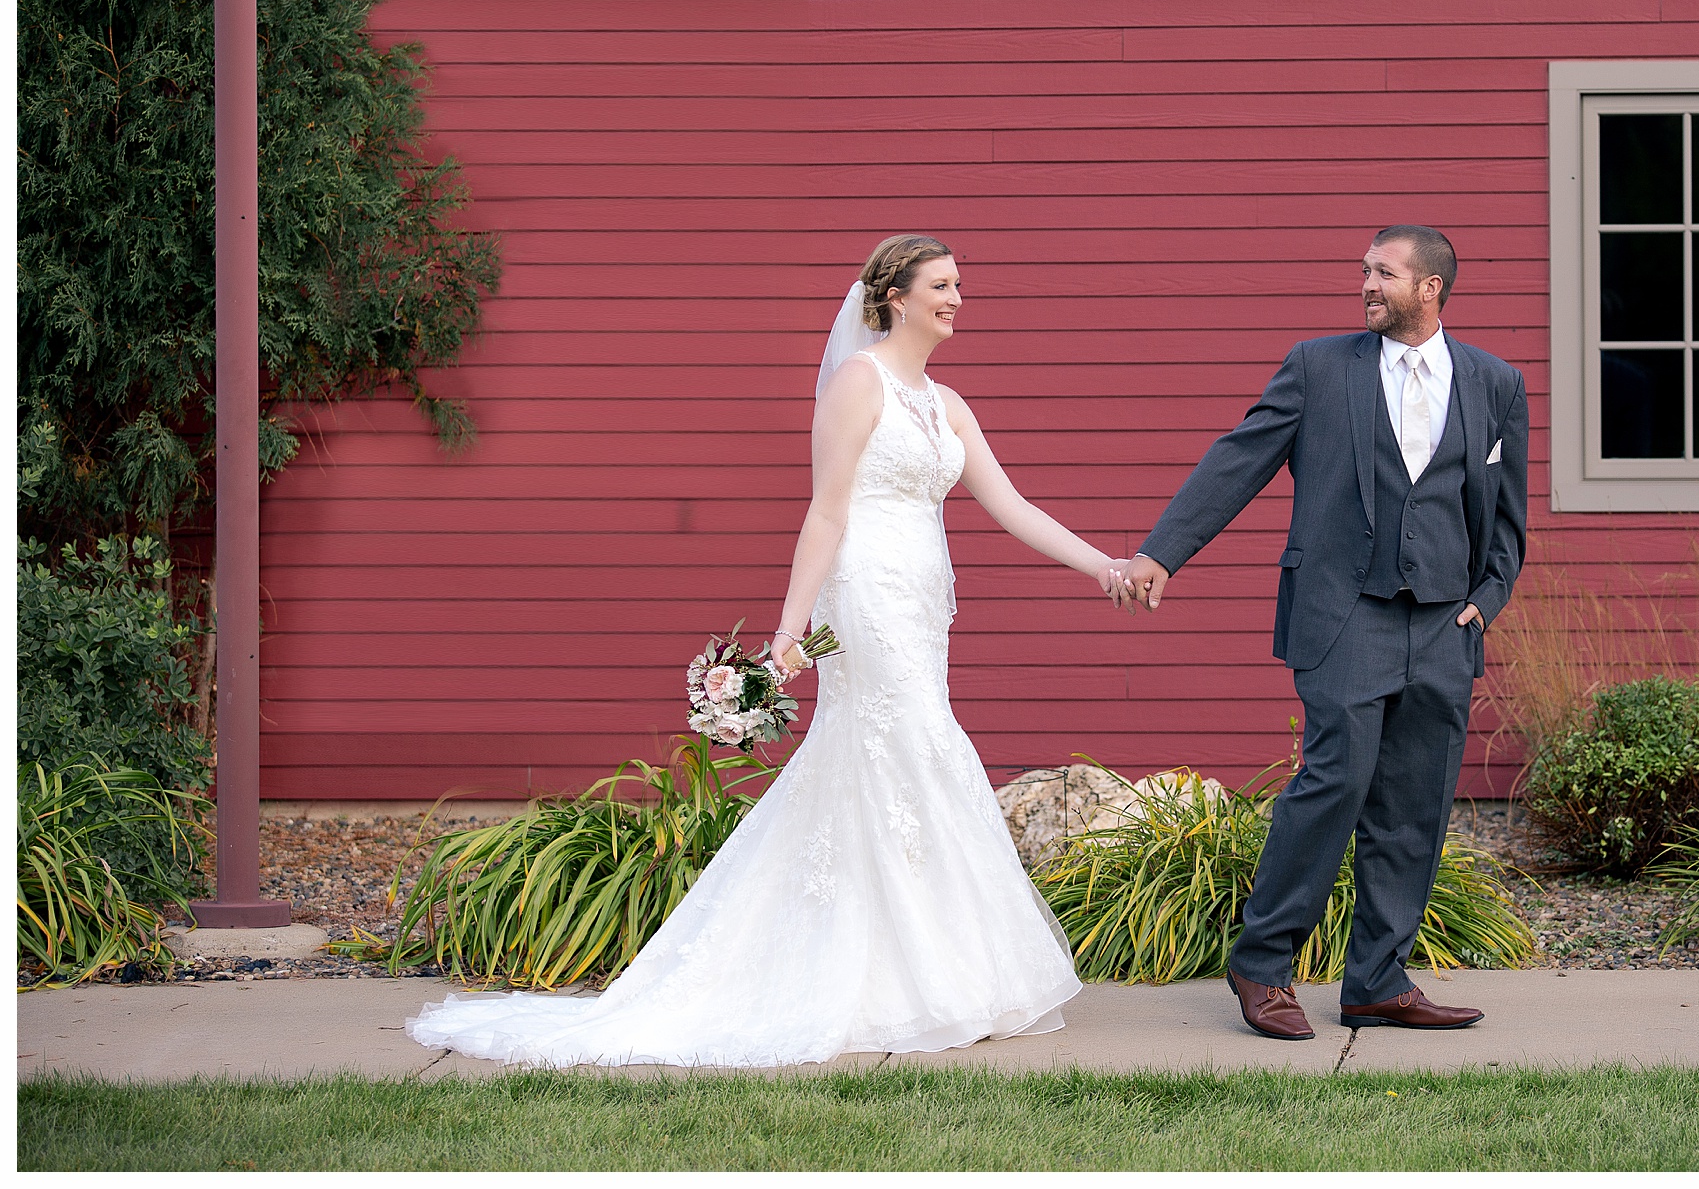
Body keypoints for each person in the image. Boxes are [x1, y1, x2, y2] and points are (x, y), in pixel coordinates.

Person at [408, 235, 1131, 1068]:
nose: (957, 297)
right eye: (941, 284)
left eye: (960, 283)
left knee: (894, 753)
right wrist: (789, 633)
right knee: (908, 745)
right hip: (863, 593)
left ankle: (912, 970)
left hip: (925, 600)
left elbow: (1011, 505)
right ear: (895, 296)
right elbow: (827, 512)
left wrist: (1103, 566)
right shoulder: (860, 384)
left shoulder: (948, 403)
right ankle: (909, 975)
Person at [1121, 226, 1528, 1038]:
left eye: (1385, 272)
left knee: (1414, 806)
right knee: (1334, 784)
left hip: (1443, 622)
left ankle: (1377, 980)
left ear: (1432, 288)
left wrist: (1487, 595)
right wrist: (1164, 552)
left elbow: (1505, 513)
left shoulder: (1494, 383)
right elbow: (1240, 458)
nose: (1367, 284)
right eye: (1365, 271)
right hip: (1345, 613)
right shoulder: (1317, 366)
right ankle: (1262, 964)